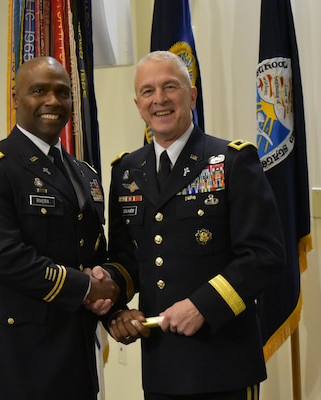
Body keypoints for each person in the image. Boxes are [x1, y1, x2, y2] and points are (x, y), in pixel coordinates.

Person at [102, 51, 286, 400]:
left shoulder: (232, 160)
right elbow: (126, 259)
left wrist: (204, 305)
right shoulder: (126, 171)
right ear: (138, 104)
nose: (160, 99)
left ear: (192, 95)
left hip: (222, 362)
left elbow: (265, 256)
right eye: (148, 91)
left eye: (170, 86)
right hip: (160, 365)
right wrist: (114, 310)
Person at [0, 56, 117, 400]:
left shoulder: (84, 174)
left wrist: (113, 296)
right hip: (12, 365)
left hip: (73, 360)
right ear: (15, 98)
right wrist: (87, 287)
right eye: (39, 91)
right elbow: (2, 257)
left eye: (63, 92)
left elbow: (94, 254)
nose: (52, 102)